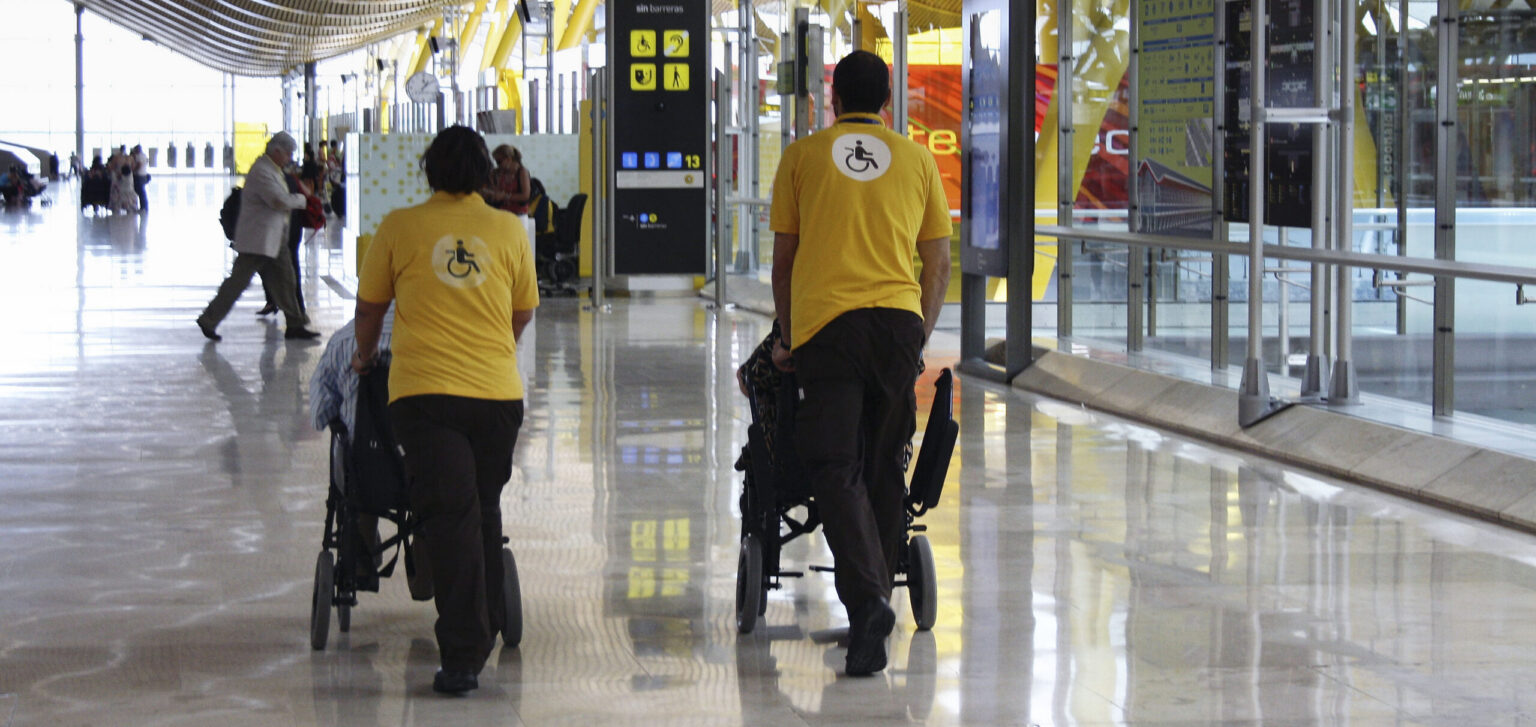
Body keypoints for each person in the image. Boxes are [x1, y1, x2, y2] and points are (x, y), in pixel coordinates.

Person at [767, 50, 952, 677]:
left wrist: (787, 338)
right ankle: (867, 629)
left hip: (828, 330)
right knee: (881, 465)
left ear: (833, 95)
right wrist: (918, 337)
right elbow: (937, 264)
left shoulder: (803, 156)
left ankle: (871, 601)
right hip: (897, 327)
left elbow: (785, 263)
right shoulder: (918, 159)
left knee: (832, 462)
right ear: (888, 98)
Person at [351, 125, 539, 696]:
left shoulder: (400, 226)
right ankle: (481, 622)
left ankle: (463, 653)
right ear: (486, 174)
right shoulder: (508, 229)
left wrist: (363, 358)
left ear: (429, 170)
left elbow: (370, 309)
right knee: (479, 509)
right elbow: (523, 312)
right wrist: (492, 348)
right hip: (497, 397)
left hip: (425, 397)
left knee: (454, 516)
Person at [196, 131, 321, 342]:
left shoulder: (273, 169)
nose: (290, 158)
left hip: (273, 237)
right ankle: (208, 319)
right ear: (277, 151)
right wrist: (302, 199)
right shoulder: (262, 171)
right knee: (237, 282)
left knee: (286, 279)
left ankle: (295, 324)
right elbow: (278, 200)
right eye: (288, 153)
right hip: (258, 240)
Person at [484, 145, 530, 215]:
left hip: (519, 213)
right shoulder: (500, 172)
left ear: (509, 159)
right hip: (503, 211)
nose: (497, 165)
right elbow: (496, 190)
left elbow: (525, 196)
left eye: (499, 162)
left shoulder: (522, 172)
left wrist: (505, 196)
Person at [130, 145, 150, 211]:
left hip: (139, 176)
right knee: (142, 192)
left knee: (140, 192)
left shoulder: (139, 156)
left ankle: (143, 207)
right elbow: (146, 162)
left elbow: (139, 165)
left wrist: (132, 170)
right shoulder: (144, 155)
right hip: (144, 175)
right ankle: (144, 206)